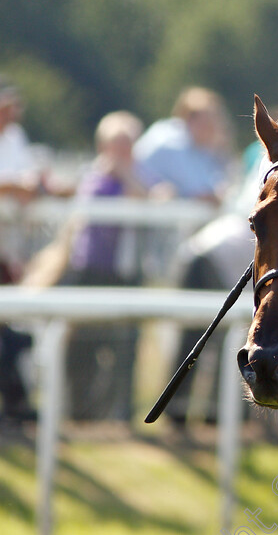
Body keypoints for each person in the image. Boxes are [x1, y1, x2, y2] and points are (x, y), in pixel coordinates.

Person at [59, 111, 148, 420]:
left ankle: (117, 415)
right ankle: (80, 413)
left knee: (124, 349)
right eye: (117, 145)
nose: (123, 154)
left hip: (124, 273)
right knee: (84, 350)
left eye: (128, 146)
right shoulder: (95, 179)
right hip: (90, 272)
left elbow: (150, 197)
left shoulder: (138, 176)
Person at [134, 86, 233, 205]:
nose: (215, 128)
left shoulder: (197, 146)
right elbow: (202, 193)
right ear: (191, 119)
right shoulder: (172, 142)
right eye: (209, 122)